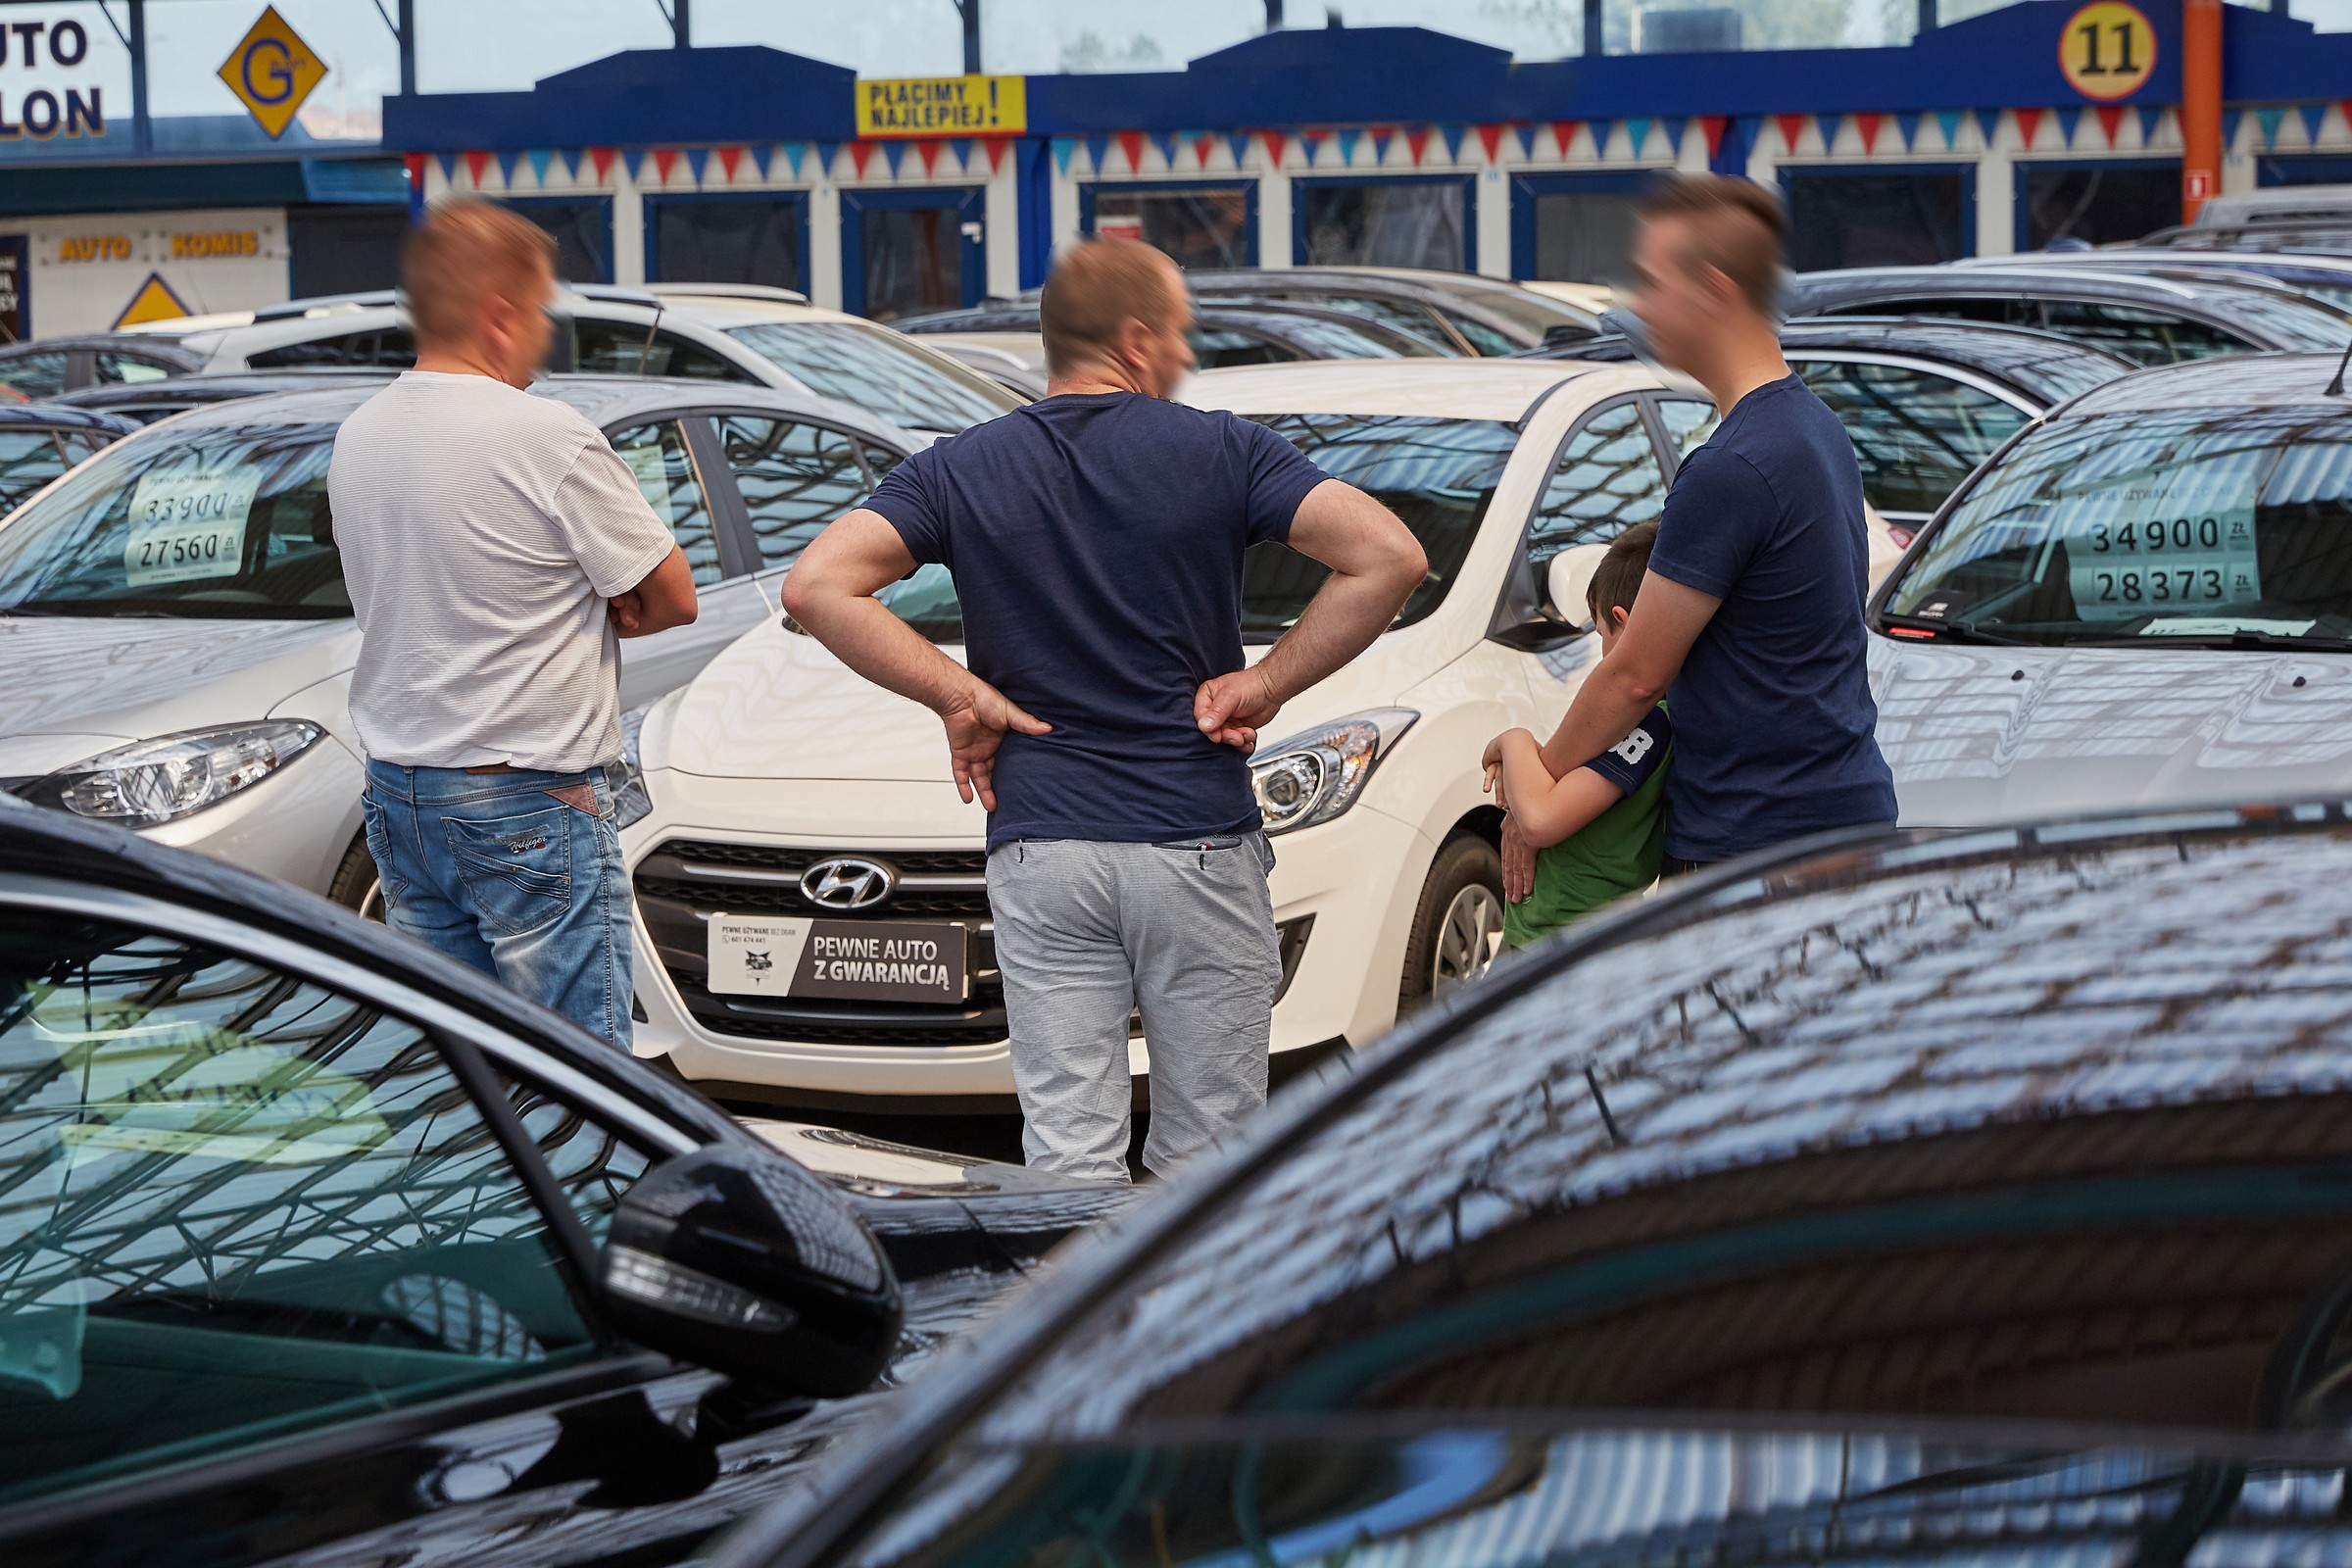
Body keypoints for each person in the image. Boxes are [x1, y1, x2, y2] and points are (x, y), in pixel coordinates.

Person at [783, 238, 1425, 1183]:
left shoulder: (960, 468)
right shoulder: (1219, 449)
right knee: (1210, 1151)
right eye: (1177, 335)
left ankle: (1076, 1325)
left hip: (1042, 845)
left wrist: (958, 696)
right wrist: (1265, 685)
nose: (1184, 356)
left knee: (1067, 1149)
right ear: (1135, 339)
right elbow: (1390, 558)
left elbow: (817, 587)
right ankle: (1191, 1327)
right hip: (1193, 837)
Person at [330, 199, 698, 1047]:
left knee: (456, 1072)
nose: (545, 334)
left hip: (400, 794)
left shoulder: (359, 435)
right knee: (574, 1080)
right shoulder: (545, 433)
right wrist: (590, 603)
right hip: (525, 798)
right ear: (500, 319)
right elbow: (672, 596)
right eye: (541, 313)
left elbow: (400, 600)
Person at [1499, 174, 1893, 899]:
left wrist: (1540, 790)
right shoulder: (1813, 427)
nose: (1639, 306)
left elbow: (1635, 676)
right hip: (1837, 819)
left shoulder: (1733, 464)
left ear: (1713, 290)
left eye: (1652, 283)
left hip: (1756, 852)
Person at [1484, 522, 1672, 946]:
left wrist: (1513, 740)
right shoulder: (1656, 719)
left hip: (1565, 940)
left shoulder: (1648, 722)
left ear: (1622, 622)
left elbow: (1540, 820)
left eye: (1602, 633)